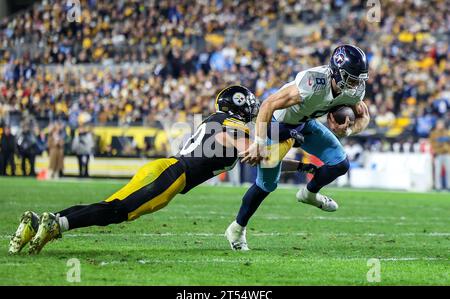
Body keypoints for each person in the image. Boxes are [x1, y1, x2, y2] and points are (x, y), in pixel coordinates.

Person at [9, 85, 312, 255]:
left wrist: (299, 165)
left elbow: (257, 154)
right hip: (172, 174)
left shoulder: (222, 122)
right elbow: (251, 150)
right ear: (242, 107)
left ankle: (42, 222)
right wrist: (286, 136)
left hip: (167, 171)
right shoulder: (226, 123)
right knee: (116, 211)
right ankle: (55, 223)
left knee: (112, 208)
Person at [225, 45, 371, 250]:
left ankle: (309, 194)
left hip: (305, 124)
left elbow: (364, 116)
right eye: (352, 78)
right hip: (276, 128)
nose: (356, 84)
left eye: (359, 79)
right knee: (266, 185)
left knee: (340, 163)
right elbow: (267, 104)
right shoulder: (314, 83)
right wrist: (258, 142)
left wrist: (348, 131)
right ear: (337, 73)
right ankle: (237, 229)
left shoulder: (353, 90)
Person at [429, 120, 450, 190]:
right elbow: (432, 143)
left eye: (441, 124)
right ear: (436, 125)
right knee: (437, 171)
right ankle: (438, 186)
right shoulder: (433, 133)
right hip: (438, 154)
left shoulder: (447, 132)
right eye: (439, 124)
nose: (440, 125)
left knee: (448, 171)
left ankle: (448, 186)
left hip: (447, 153)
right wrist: (440, 143)